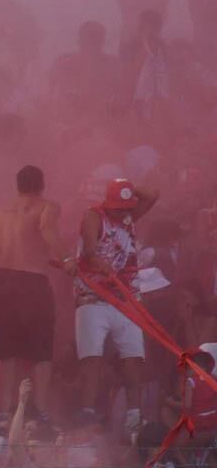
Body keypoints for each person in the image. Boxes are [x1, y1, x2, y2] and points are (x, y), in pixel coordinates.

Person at [73, 178, 158, 432]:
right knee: (92, 358)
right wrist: (100, 264)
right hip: (93, 297)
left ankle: (134, 416)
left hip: (126, 299)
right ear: (108, 204)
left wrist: (127, 187)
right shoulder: (93, 216)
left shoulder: (130, 215)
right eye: (119, 207)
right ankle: (88, 412)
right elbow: (89, 250)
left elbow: (153, 192)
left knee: (133, 356)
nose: (124, 212)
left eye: (126, 207)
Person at [0, 165, 63, 422]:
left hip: (3, 280)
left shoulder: (2, 210)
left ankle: (4, 410)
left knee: (7, 349)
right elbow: (47, 230)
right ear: (41, 185)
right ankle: (41, 410)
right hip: (32, 281)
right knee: (41, 350)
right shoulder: (48, 206)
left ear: (17, 185)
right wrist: (66, 260)